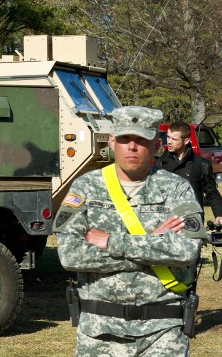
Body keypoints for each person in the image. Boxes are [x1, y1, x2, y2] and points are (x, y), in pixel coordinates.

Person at [54, 106, 206, 356]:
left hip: (163, 331)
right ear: (112, 141)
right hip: (99, 332)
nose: (132, 147)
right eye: (125, 139)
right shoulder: (86, 188)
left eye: (141, 140)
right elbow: (71, 255)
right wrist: (152, 243)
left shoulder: (177, 189)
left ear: (157, 145)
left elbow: (186, 251)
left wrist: (111, 242)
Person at [157, 121, 222, 224]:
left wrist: (219, 214)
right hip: (166, 224)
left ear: (186, 140)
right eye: (168, 137)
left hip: (193, 223)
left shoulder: (201, 164)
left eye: (174, 139)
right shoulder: (159, 164)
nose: (169, 141)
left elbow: (212, 193)